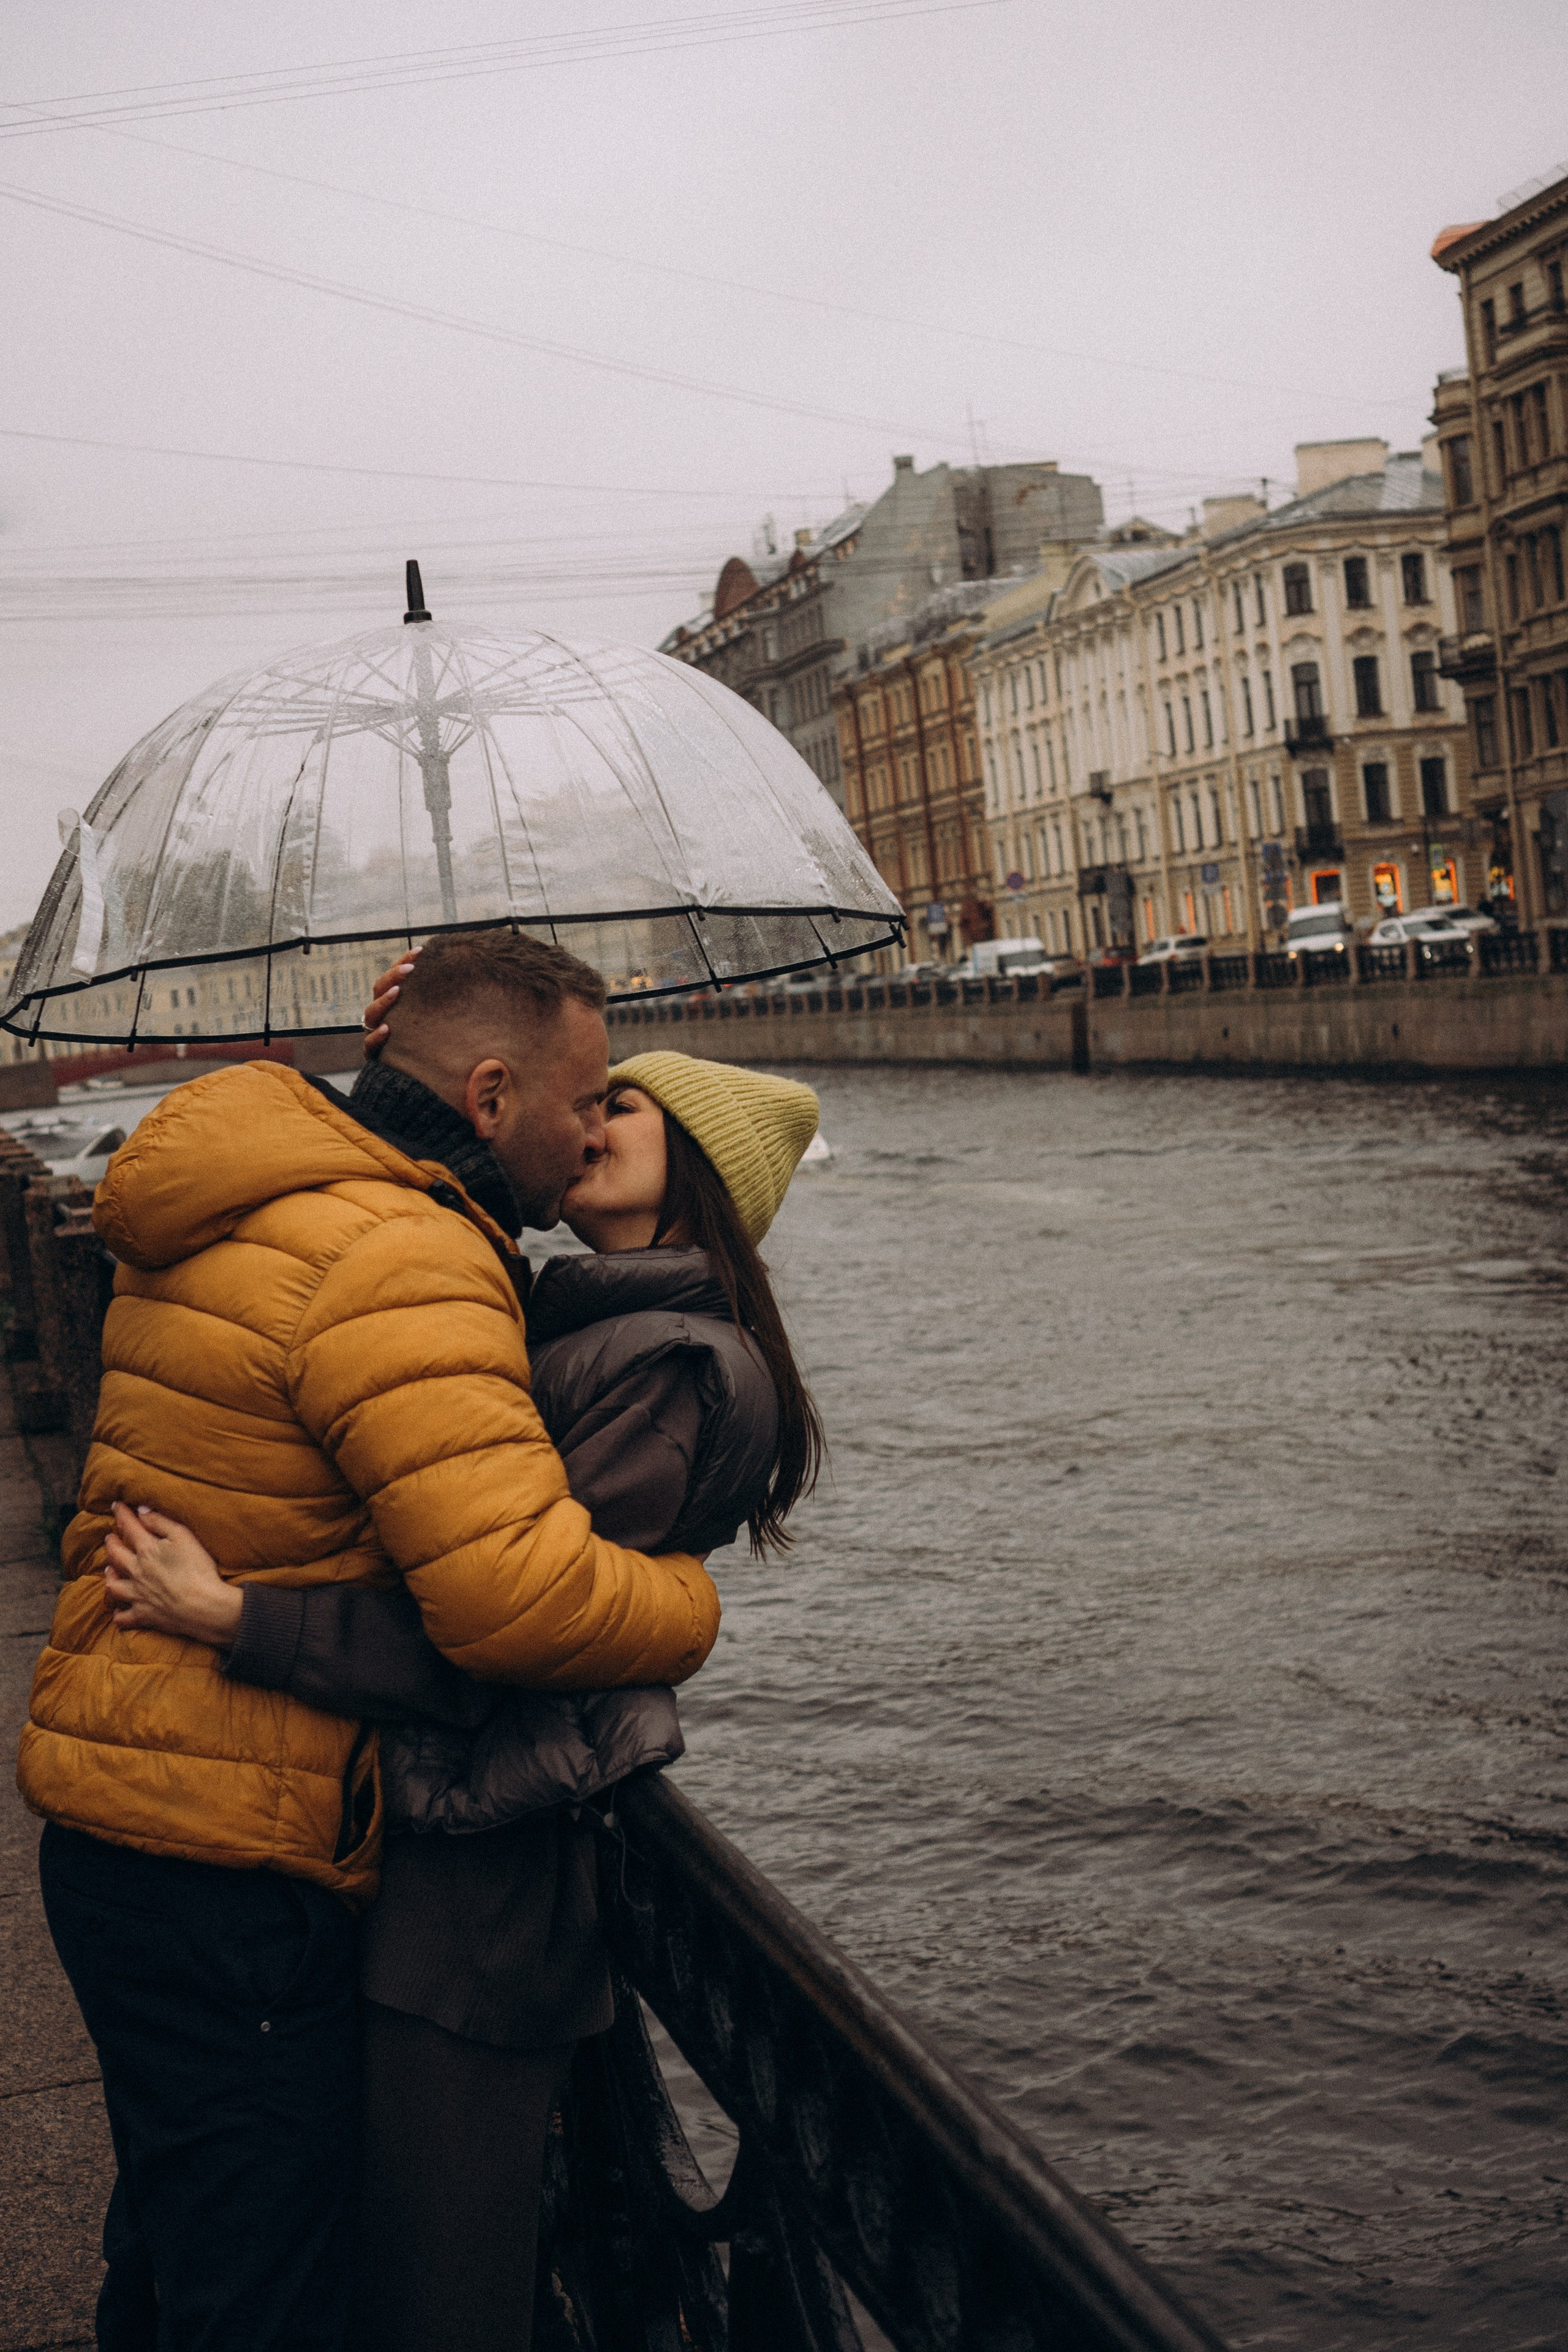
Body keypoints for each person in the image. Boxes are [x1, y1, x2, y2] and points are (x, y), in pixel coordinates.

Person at [18, 931, 727, 2352]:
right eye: (583, 1098)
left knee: (174, 2252)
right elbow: (512, 1597)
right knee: (261, 2299)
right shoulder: (402, 1249)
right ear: (485, 1099)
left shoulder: (265, 1172)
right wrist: (690, 1611)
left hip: (130, 1799)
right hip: (231, 1850)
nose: (594, 1128)